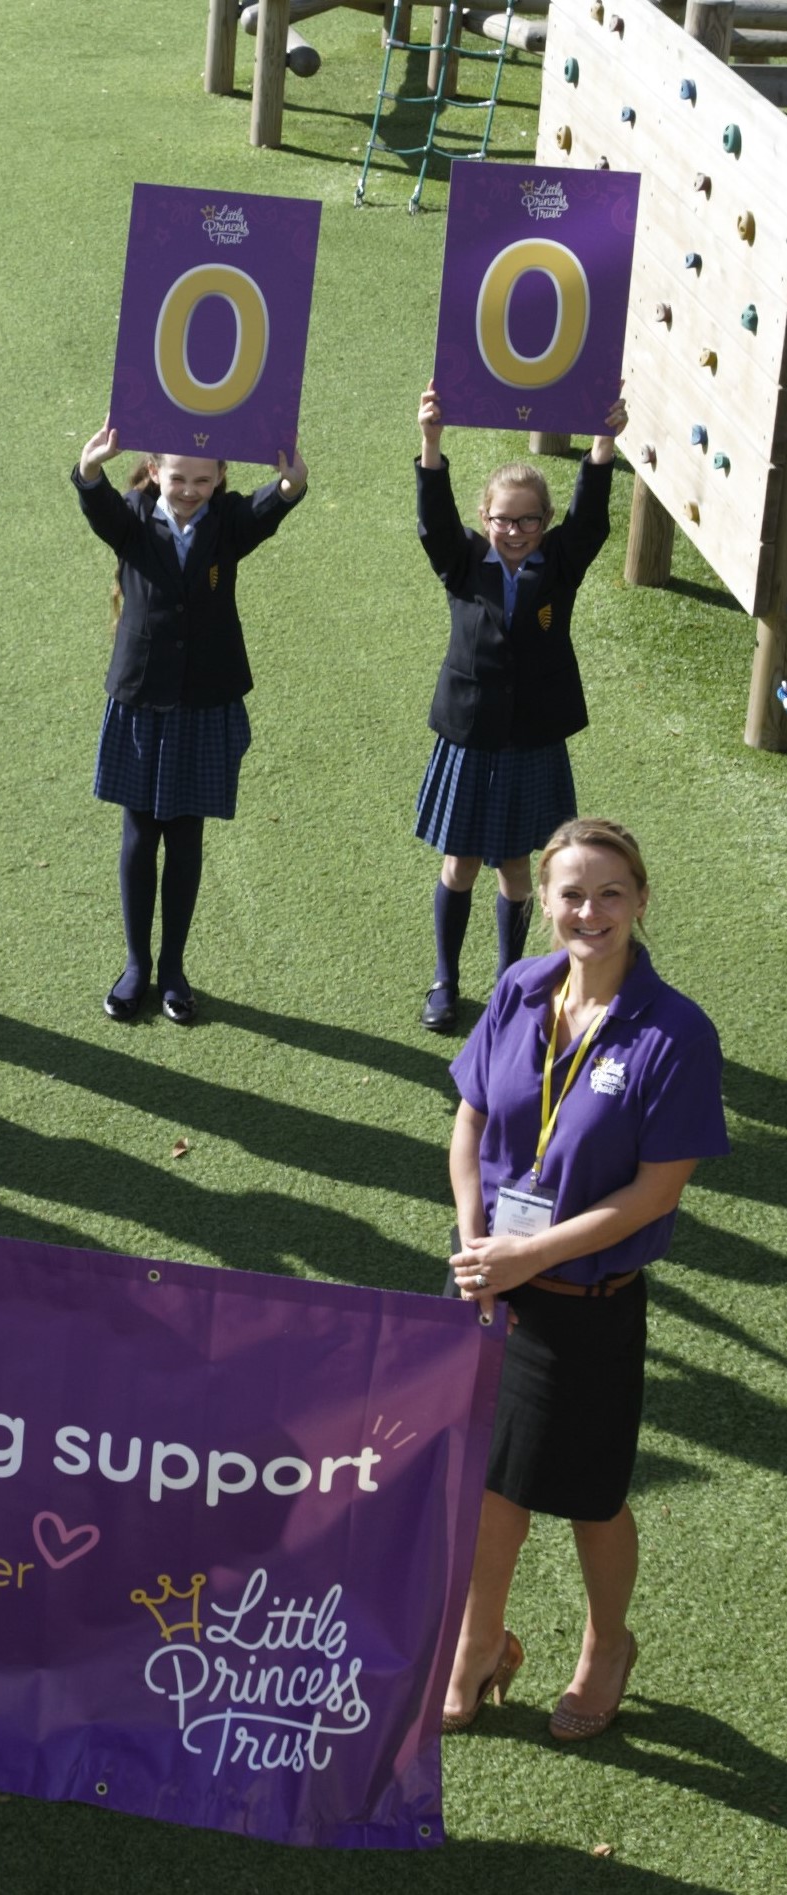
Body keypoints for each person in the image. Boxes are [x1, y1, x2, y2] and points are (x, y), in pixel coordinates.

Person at [440, 818, 726, 1743]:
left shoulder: (674, 1032)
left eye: (609, 892)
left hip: (589, 1307)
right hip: (496, 1284)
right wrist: (478, 1243)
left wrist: (531, 1254)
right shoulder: (521, 988)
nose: (587, 911)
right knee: (487, 1486)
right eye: (570, 893)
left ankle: (607, 1643)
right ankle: (478, 1643)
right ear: (546, 902)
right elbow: (469, 1123)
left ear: (641, 901)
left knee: (589, 1499)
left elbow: (655, 1192)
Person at [73, 422, 307, 1023]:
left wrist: (291, 480)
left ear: (222, 476)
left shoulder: (228, 520)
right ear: (154, 472)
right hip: (142, 699)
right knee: (138, 833)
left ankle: (172, 968)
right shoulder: (131, 515)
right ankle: (135, 966)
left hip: (205, 700)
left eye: (204, 479)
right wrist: (91, 467)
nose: (190, 489)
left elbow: (275, 502)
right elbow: (95, 503)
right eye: (178, 477)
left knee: (185, 836)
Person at [413, 384, 626, 1032]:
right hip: (470, 736)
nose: (514, 531)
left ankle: (511, 986)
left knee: (513, 867)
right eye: (503, 519)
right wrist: (429, 442)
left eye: (528, 520)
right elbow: (432, 521)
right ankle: (445, 982)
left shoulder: (558, 564)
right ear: (484, 518)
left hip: (530, 738)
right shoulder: (462, 563)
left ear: (543, 522)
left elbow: (589, 522)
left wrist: (602, 441)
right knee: (460, 863)